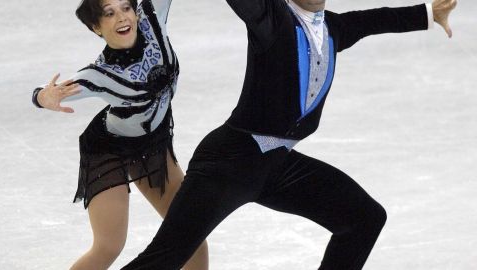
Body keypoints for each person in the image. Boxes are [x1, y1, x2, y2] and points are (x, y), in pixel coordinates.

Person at [121, 0, 457, 269]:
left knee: (364, 218)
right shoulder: (272, 17)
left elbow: (373, 20)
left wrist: (428, 13)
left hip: (277, 165)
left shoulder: (333, 28)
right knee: (166, 257)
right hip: (230, 162)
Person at [31, 0, 209, 269]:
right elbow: (46, 91)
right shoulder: (101, 74)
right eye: (109, 14)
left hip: (152, 146)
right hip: (108, 150)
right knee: (109, 246)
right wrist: (44, 96)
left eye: (126, 7)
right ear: (96, 27)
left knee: (190, 232)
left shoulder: (150, 18)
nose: (122, 17)